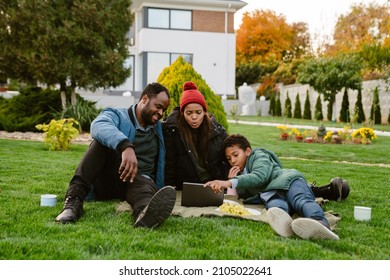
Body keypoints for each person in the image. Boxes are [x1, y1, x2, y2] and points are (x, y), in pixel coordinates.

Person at [55, 82, 176, 229]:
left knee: (145, 189)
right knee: (100, 143)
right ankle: (73, 202)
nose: (161, 113)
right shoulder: (117, 115)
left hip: (137, 184)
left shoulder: (159, 129)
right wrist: (125, 146)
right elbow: (98, 125)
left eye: (164, 110)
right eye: (158, 106)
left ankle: (145, 214)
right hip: (108, 179)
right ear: (144, 99)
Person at [205, 134, 341, 240]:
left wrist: (229, 182)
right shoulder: (240, 175)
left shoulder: (258, 156)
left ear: (247, 151)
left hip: (289, 183)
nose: (233, 161)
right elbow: (236, 199)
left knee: (301, 201)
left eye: (235, 155)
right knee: (275, 207)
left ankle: (320, 223)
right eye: (229, 158)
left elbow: (260, 176)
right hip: (272, 195)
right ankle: (286, 226)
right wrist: (231, 180)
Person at [163, 81, 229, 190]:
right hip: (186, 187)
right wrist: (169, 187)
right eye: (189, 113)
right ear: (182, 113)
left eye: (198, 112)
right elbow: (169, 162)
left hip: (214, 184)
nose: (194, 117)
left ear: (204, 112)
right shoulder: (173, 130)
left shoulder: (216, 130)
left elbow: (228, 156)